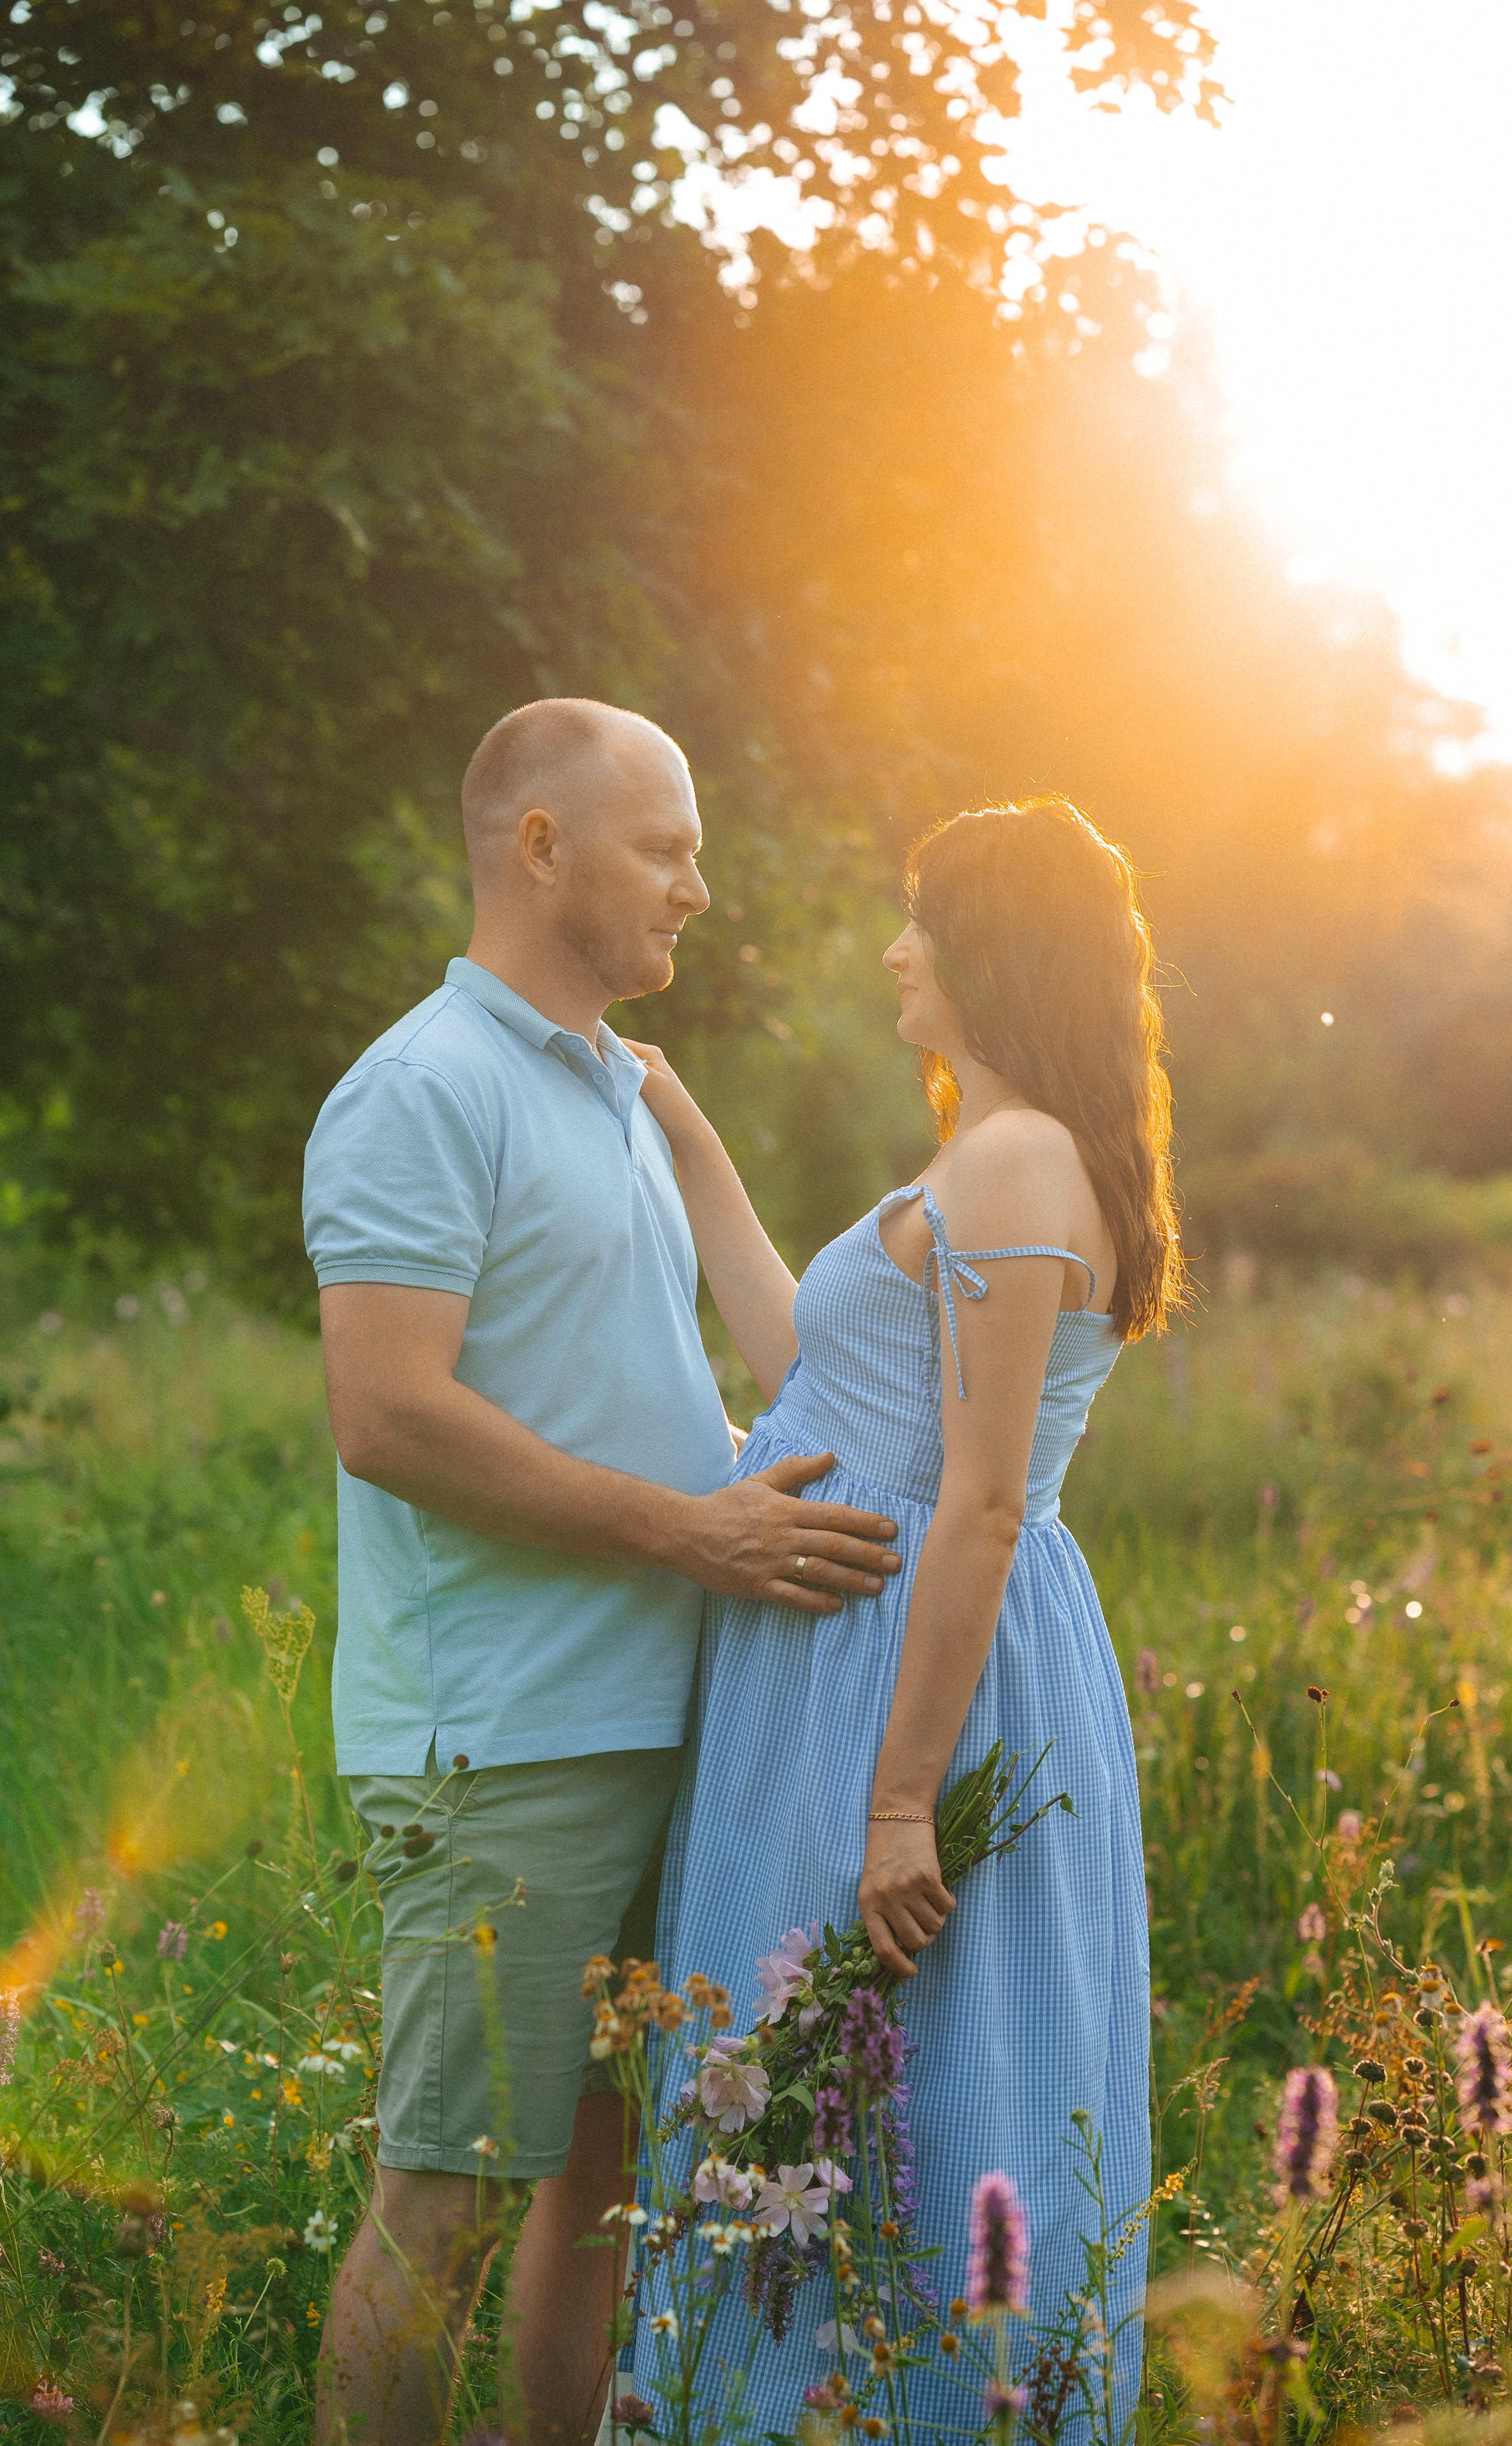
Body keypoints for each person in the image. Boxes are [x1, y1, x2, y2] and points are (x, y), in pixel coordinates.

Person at [301, 696, 902, 2445]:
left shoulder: (621, 1097)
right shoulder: (424, 1089)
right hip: (505, 1738)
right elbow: (386, 1416)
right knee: (451, 2196)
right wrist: (696, 1531)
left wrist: (739, 1488)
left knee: (605, 2185)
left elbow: (624, 1384)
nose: (699, 889)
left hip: (665, 1714)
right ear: (540, 847)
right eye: (667, 846)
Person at [626, 797, 1181, 2425]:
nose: (892, 947)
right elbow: (802, 1371)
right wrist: (691, 1137)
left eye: (920, 918)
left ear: (990, 945)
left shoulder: (1014, 1158)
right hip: (862, 1644)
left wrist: (896, 1798)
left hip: (925, 1672)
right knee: (831, 2091)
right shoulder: (991, 1151)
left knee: (925, 2095)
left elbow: (984, 1498)